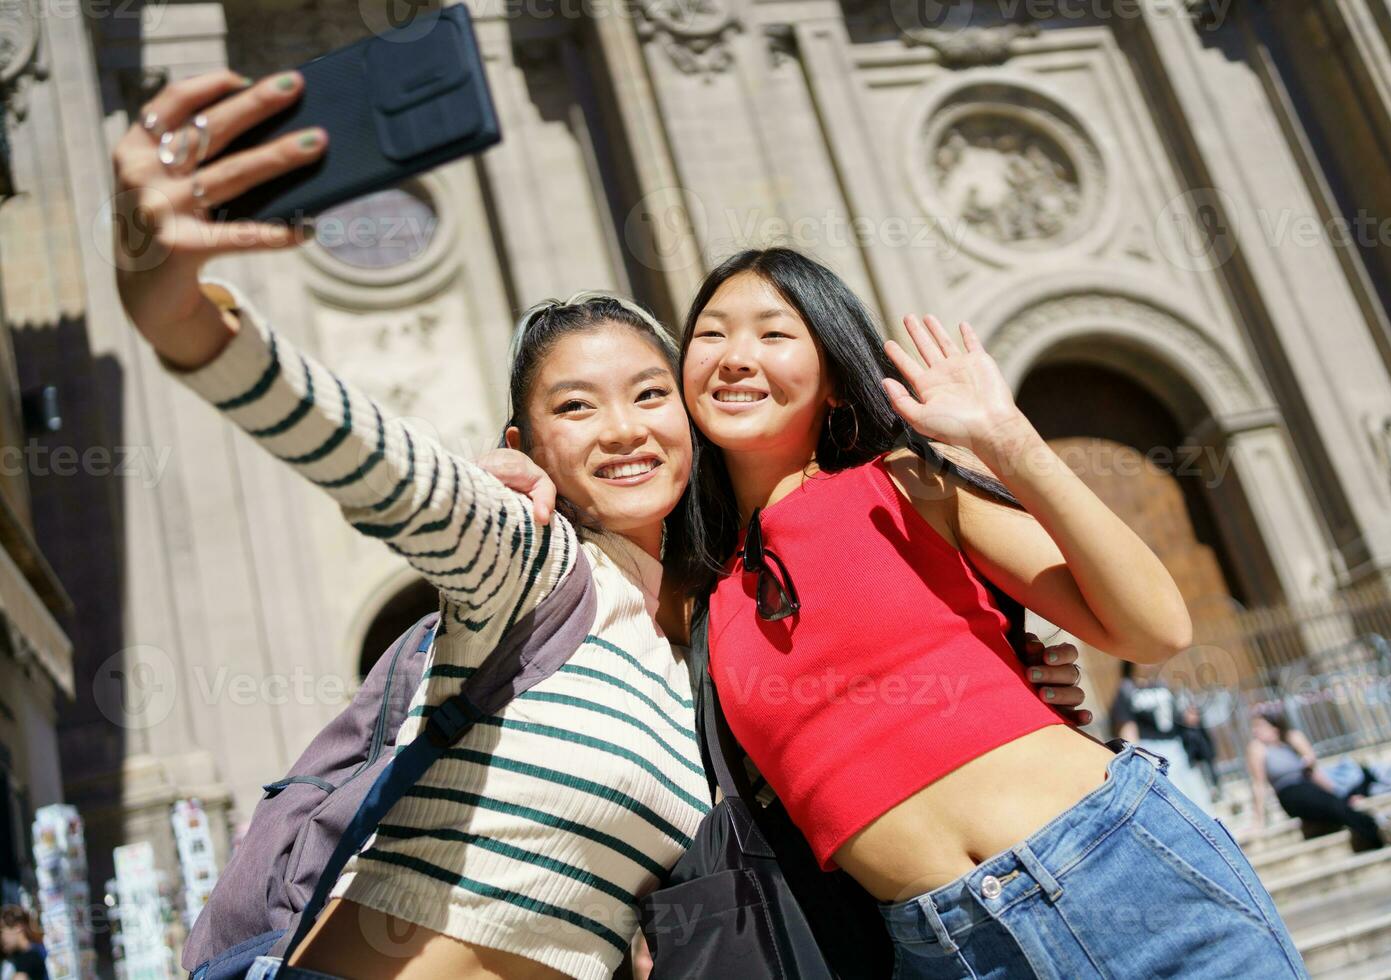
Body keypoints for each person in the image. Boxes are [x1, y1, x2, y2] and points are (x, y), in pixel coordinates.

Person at [111, 71, 1090, 980]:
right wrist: (185, 316)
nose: (624, 429)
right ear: (525, 442)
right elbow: (381, 468)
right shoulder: (535, 573)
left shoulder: (734, 647)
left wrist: (1005, 677)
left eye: (651, 394)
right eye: (576, 407)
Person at [672, 248, 1310, 978]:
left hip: (1115, 866)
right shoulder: (695, 590)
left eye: (773, 334)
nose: (735, 357)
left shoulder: (909, 484)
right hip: (943, 948)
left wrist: (1006, 441)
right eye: (711, 334)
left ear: (836, 383)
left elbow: (1154, 627)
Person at [1246, 713, 1391, 851]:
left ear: (1274, 728)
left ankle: (1374, 830)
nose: (1255, 731)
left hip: (1309, 787)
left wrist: (1336, 793)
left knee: (1336, 805)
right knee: (1333, 807)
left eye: (1259, 726)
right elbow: (1258, 784)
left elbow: (1314, 773)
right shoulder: (1258, 748)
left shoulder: (1291, 740)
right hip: (1289, 793)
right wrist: (1258, 821)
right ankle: (1377, 827)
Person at [1109, 661, 1215, 812]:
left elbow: (1176, 716)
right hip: (1151, 749)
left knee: (1196, 792)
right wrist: (1137, 755)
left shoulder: (1161, 684)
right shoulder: (1127, 690)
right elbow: (1127, 727)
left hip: (1176, 745)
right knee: (1175, 796)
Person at [0, 906, 46, 980]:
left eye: (1, 931)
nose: (1, 938)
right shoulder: (16, 956)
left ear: (17, 927)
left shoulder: (31, 956)